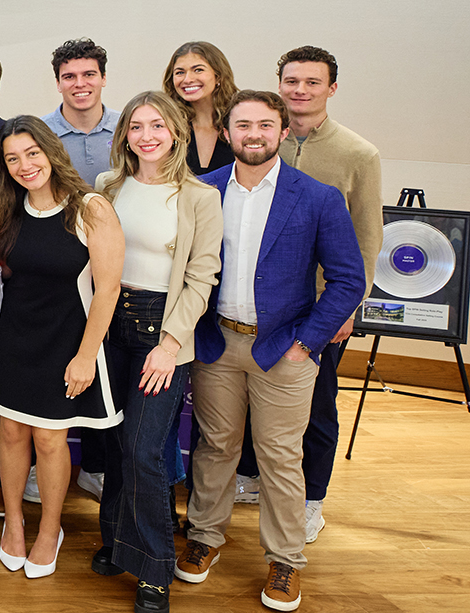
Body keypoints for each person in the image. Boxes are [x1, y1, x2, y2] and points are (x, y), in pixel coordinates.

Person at [176, 90, 365, 613]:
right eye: (242, 125)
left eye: (264, 124)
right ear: (228, 133)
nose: (253, 134)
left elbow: (349, 280)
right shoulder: (202, 190)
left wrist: (308, 343)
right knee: (216, 447)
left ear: (283, 131)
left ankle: (285, 560)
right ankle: (205, 538)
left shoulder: (318, 197)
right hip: (217, 343)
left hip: (285, 348)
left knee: (281, 455)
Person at [232, 46, 384, 543]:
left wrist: (344, 310)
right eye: (292, 81)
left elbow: (366, 236)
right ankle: (252, 479)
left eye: (312, 82)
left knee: (316, 405)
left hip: (318, 310)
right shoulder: (258, 138)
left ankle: (311, 498)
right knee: (255, 398)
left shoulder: (357, 153)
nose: (300, 90)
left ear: (331, 89)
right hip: (255, 304)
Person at [89, 90, 222, 613]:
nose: (146, 136)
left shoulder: (199, 196)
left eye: (156, 126)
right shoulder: (108, 186)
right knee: (116, 442)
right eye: (136, 127)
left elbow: (201, 275)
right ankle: (117, 544)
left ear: (175, 133)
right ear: (125, 135)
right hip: (110, 321)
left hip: (162, 329)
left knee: (145, 450)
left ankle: (154, 569)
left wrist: (170, 346)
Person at [0, 116, 124, 579]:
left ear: (50, 152)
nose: (25, 165)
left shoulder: (90, 207)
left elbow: (107, 290)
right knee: (10, 434)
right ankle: (16, 525)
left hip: (66, 339)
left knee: (49, 437)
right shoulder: (10, 206)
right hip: (16, 337)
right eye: (13, 158)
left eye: (32, 153)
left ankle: (49, 529)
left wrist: (85, 356)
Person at [43, 38, 120, 185]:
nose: (80, 84)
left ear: (103, 78)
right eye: (69, 77)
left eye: (89, 74)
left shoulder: (127, 127)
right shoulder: (39, 133)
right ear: (58, 84)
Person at [163, 41, 238, 176]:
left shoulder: (239, 123)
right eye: (180, 72)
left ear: (218, 76)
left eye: (198, 70)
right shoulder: (168, 126)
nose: (187, 79)